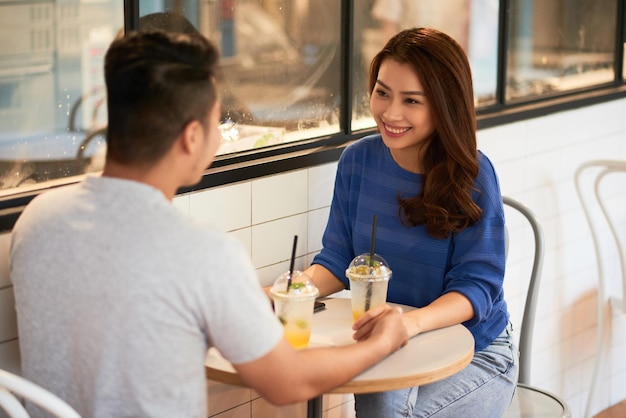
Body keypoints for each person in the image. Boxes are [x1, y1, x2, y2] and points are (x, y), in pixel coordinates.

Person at [9, 30, 408, 418]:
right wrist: (384, 342)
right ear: (192, 136)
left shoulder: (38, 220)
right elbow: (288, 383)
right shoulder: (200, 253)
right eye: (217, 124)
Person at [304, 27, 518, 417]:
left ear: (443, 105)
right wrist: (292, 290)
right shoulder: (357, 162)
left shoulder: (473, 175)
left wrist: (408, 325)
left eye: (412, 101)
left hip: (475, 352)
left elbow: (477, 289)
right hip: (397, 343)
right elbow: (338, 259)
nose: (391, 113)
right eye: (382, 92)